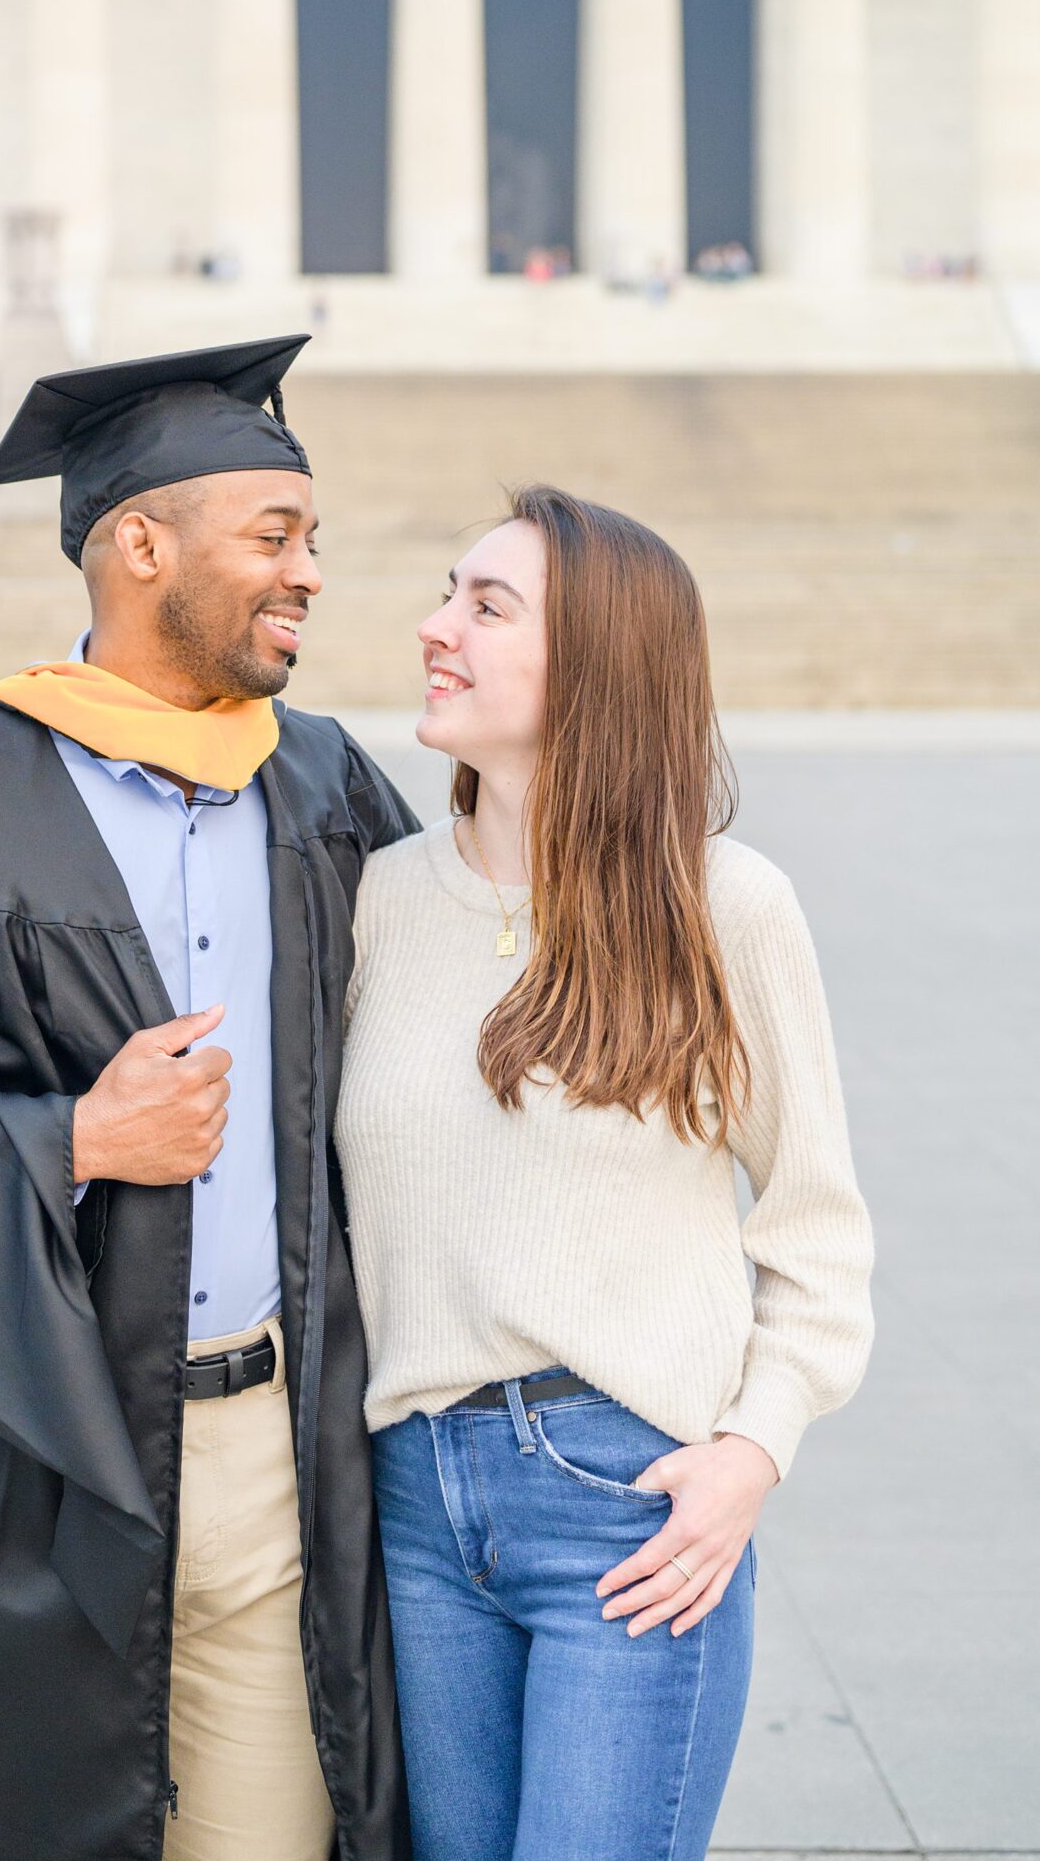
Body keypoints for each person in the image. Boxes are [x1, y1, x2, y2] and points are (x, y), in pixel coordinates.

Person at [0, 334, 419, 1861]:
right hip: (24, 1462)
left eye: (313, 541)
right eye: (275, 537)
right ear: (139, 543)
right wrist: (74, 1140)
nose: (309, 573)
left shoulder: (326, 792)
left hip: (279, 1461)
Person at [335, 484, 875, 1861]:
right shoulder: (381, 899)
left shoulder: (724, 908)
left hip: (626, 1509)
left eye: (485, 604)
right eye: (448, 592)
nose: (431, 627)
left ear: (598, 665)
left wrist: (752, 1452)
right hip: (415, 1501)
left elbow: (816, 1236)